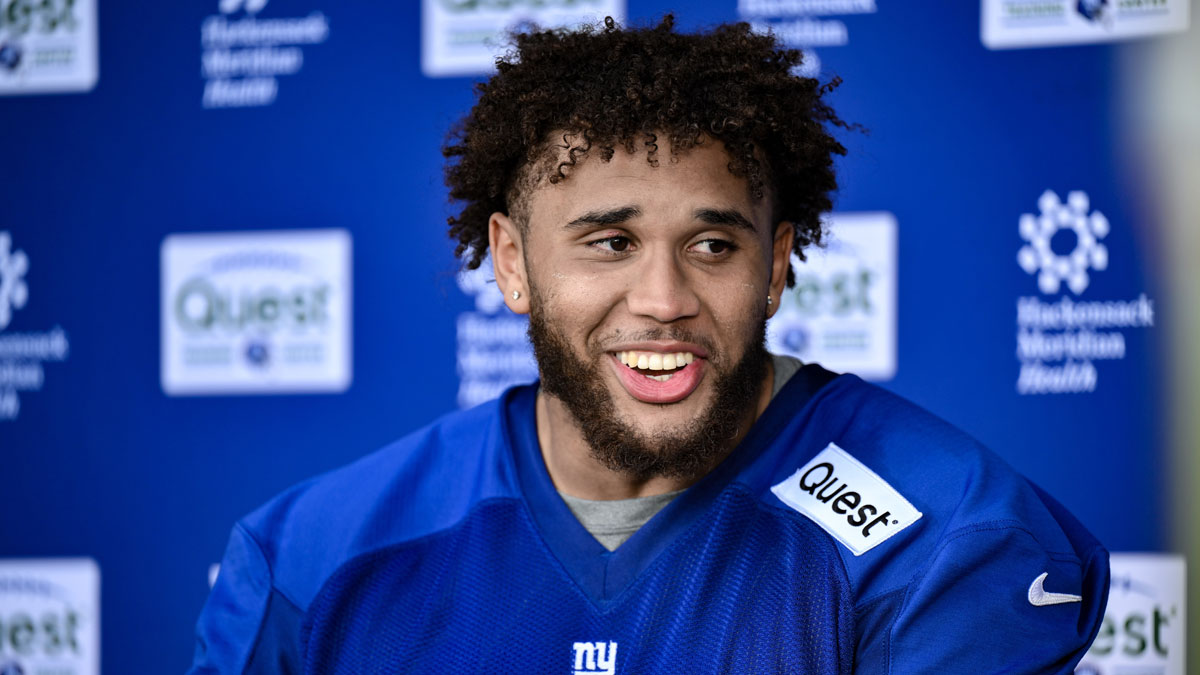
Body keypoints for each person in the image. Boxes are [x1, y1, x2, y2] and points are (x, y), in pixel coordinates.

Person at [189, 15, 1108, 674]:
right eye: (609, 242)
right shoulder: (313, 561)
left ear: (778, 263)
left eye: (714, 245)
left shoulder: (947, 538)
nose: (664, 301)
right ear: (511, 262)